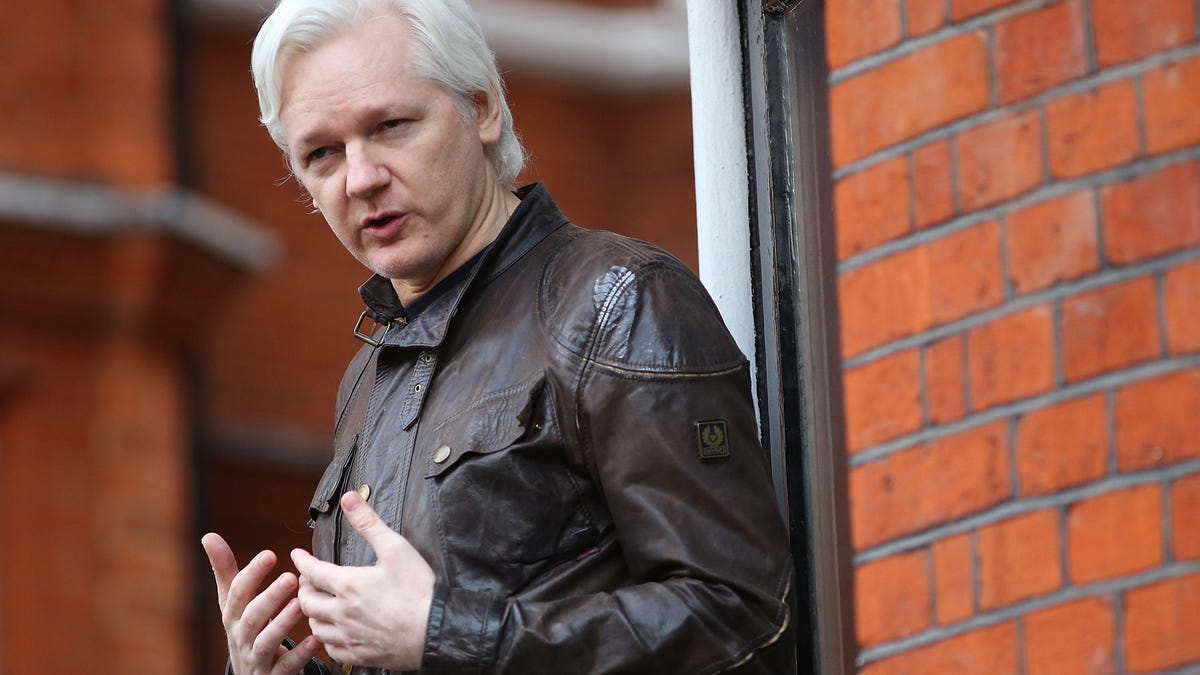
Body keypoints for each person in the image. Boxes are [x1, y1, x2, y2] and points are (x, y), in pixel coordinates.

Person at [200, 0, 794, 672]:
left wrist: (446, 632)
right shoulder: (368, 379)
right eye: (322, 153)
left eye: (391, 125)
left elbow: (743, 616)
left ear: (481, 109)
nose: (360, 179)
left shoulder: (618, 300)